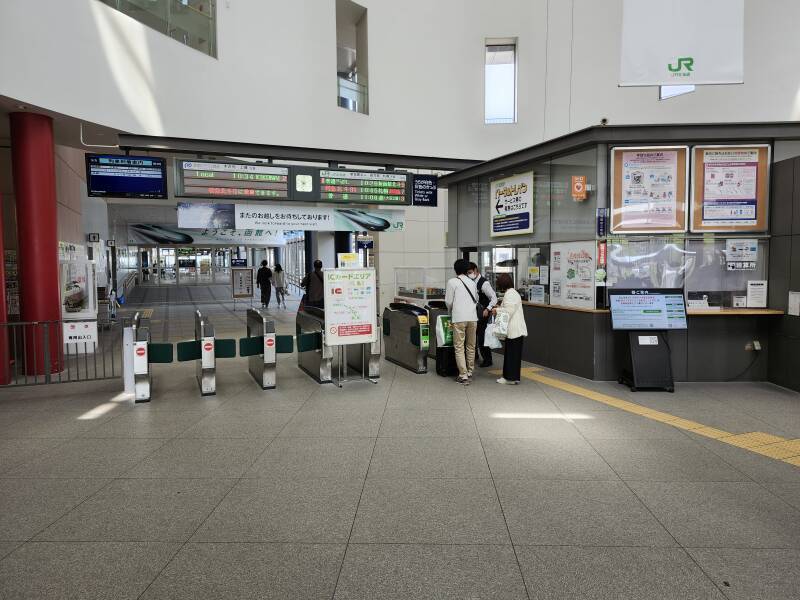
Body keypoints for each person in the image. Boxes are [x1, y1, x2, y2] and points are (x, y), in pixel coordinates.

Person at [445, 258, 479, 385]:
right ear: (466, 270)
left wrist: (450, 311)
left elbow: (448, 301)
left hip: (459, 318)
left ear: (455, 270)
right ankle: (470, 371)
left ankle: (463, 374)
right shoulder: (472, 282)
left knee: (459, 346)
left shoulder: (452, 282)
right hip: (472, 317)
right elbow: (476, 299)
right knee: (471, 345)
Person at [492, 273, 528, 385]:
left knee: (511, 355)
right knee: (514, 355)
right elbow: (509, 308)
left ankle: (509, 378)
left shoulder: (510, 294)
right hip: (516, 330)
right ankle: (513, 377)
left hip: (514, 330)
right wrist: (500, 308)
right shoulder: (513, 293)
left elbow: (508, 312)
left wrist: (496, 310)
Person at [467, 262, 498, 367]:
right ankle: (475, 356)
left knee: (482, 338)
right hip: (474, 313)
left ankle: (487, 360)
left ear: (476, 270)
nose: (469, 274)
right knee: (473, 336)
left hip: (483, 314)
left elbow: (494, 298)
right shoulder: (470, 281)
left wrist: (488, 309)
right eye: (468, 273)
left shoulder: (484, 283)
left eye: (471, 272)